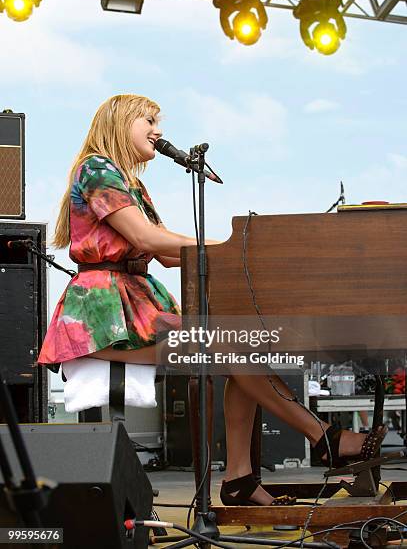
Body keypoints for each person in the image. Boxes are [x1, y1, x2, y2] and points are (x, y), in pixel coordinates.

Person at [38, 94, 387, 507]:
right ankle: (324, 437)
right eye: (148, 119)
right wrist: (222, 244)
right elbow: (148, 239)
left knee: (240, 347)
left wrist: (237, 251)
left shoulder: (130, 181)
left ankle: (242, 477)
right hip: (103, 316)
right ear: (120, 121)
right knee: (230, 344)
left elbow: (167, 254)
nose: (158, 129)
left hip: (134, 303)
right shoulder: (96, 168)